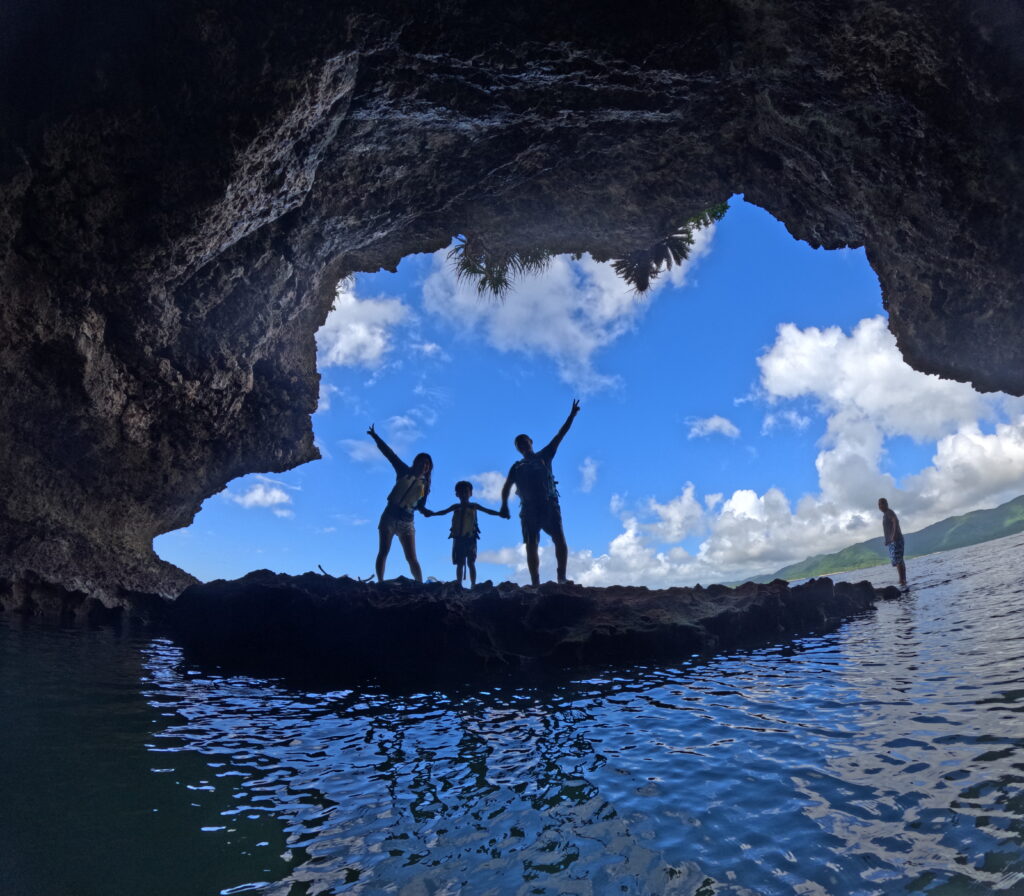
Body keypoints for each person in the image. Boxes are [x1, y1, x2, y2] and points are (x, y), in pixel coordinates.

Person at [500, 399, 580, 586]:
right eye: (519, 444)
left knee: (559, 539)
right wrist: (504, 506)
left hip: (548, 504)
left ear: (531, 442)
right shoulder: (517, 467)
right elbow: (507, 486)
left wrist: (572, 416)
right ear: (518, 449)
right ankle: (535, 582)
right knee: (531, 544)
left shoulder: (545, 455)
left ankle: (561, 577)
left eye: (524, 441)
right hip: (529, 509)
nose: (523, 445)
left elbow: (560, 435)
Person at [367, 424, 432, 582]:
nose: (424, 466)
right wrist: (375, 437)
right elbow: (390, 454)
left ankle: (419, 584)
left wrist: (425, 511)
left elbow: (420, 506)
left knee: (412, 558)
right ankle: (381, 581)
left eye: (427, 464)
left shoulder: (425, 485)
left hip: (407, 522)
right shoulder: (403, 470)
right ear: (416, 462)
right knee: (383, 551)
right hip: (389, 516)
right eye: (422, 462)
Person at [424, 480, 503, 588]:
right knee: (460, 563)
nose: (464, 494)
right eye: (461, 492)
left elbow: (488, 511)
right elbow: (443, 512)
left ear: (471, 493)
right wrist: (432, 514)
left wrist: (499, 513)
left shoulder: (474, 506)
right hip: (458, 538)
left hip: (470, 538)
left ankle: (473, 584)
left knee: (471, 563)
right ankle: (459, 584)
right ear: (457, 494)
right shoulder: (456, 507)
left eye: (466, 491)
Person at [878, 497, 908, 587]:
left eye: (881, 504)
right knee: (898, 560)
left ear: (886, 504)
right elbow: (889, 528)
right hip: (892, 541)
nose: (880, 506)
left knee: (898, 560)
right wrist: (887, 540)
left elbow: (895, 521)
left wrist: (894, 535)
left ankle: (902, 580)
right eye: (879, 505)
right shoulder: (885, 515)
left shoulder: (889, 512)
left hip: (896, 539)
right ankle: (903, 580)